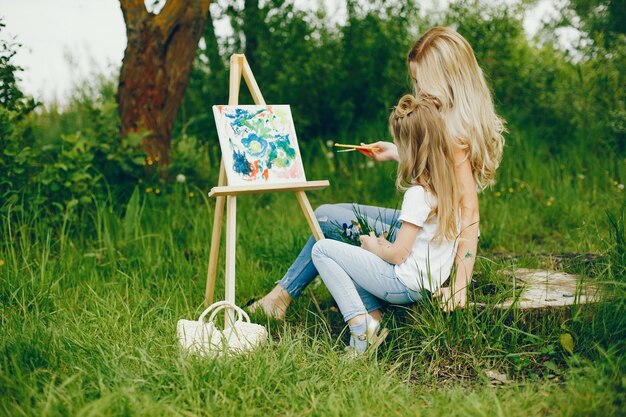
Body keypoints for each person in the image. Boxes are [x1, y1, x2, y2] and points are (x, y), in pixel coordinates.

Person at [248, 26, 505, 319]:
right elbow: (437, 168)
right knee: (330, 215)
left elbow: (469, 214)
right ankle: (285, 297)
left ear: (448, 79)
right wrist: (396, 151)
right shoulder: (446, 120)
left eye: (424, 82)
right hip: (429, 233)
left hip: (427, 244)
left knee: (325, 218)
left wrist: (460, 286)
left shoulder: (456, 133)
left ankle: (286, 299)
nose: (419, 90)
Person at [312, 93, 461, 352]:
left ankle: (360, 327)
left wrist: (375, 247)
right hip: (428, 284)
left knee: (323, 250)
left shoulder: (418, 194)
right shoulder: (448, 188)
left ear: (411, 150)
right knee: (352, 258)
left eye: (398, 145)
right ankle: (371, 317)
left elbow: (398, 254)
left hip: (403, 284)